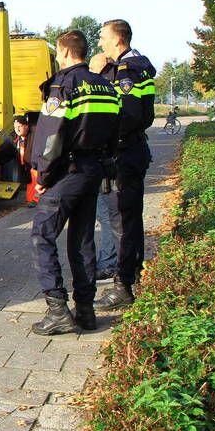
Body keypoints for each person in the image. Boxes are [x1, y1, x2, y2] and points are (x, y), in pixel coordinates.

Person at [29, 30, 120, 335]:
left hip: (67, 171)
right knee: (82, 241)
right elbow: (114, 134)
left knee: (42, 236)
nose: (57, 57)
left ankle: (57, 309)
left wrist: (42, 175)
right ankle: (85, 311)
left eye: (57, 52)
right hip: (94, 170)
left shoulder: (63, 85)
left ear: (66, 52)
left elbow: (50, 136)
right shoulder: (107, 87)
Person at [95, 19, 156, 310]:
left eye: (103, 37)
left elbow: (129, 115)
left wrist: (107, 137)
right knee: (129, 220)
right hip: (131, 153)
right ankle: (132, 278)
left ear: (118, 40)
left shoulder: (128, 70)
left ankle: (123, 286)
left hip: (124, 155)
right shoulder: (133, 66)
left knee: (122, 221)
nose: (100, 43)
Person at [88, 53, 116, 280]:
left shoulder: (101, 91)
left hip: (102, 164)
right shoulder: (112, 92)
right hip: (109, 162)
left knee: (105, 217)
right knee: (108, 216)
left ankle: (108, 263)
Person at [10, 115, 39, 206]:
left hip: (35, 165)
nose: (17, 129)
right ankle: (31, 200)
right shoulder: (16, 138)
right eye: (15, 127)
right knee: (30, 183)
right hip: (26, 167)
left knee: (36, 181)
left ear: (26, 126)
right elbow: (8, 152)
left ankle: (36, 200)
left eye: (20, 126)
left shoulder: (34, 134)